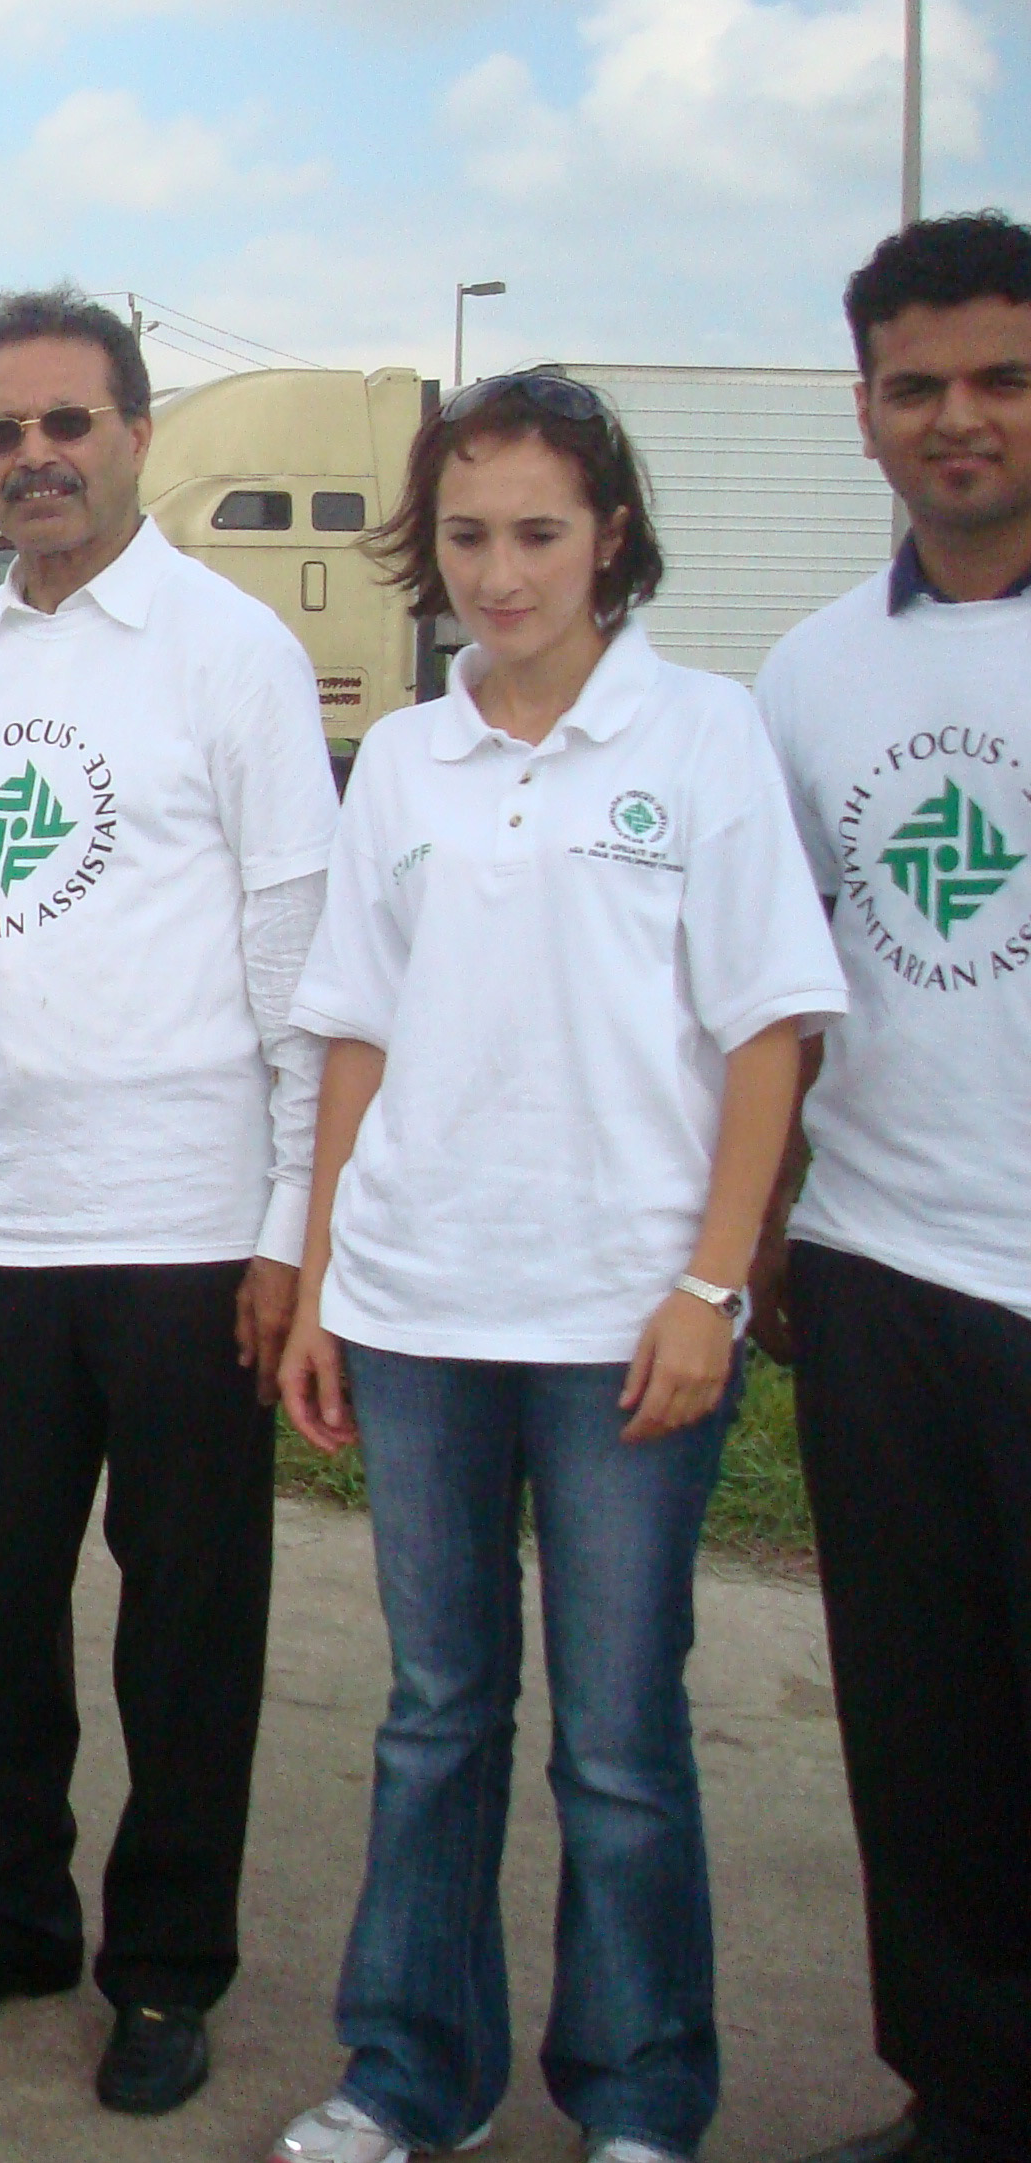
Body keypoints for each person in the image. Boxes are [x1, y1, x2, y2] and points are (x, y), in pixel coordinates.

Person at [267, 370, 843, 2163]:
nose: (501, 573)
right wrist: (320, 1277)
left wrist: (712, 1288)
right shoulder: (411, 764)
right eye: (465, 536)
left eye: (537, 532)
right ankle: (405, 2077)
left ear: (610, 539)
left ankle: (642, 2101)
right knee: (437, 1716)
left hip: (625, 1322)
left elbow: (770, 1035)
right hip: (423, 1306)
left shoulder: (702, 741)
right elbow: (352, 1031)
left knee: (617, 1736)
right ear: (425, 553)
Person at [0, 286, 336, 2115]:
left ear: (137, 431)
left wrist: (294, 1231)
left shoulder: (228, 654)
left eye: (68, 422)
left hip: (190, 1228)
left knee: (188, 1614)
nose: (35, 456)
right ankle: (11, 1915)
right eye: (0, 432)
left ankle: (168, 1963)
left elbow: (299, 962)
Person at [749, 211, 1031, 2163]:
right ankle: (962, 2088)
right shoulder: (810, 671)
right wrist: (758, 1234)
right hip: (878, 1271)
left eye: (999, 378)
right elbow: (785, 993)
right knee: (922, 1737)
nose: (958, 418)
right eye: (915, 385)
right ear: (859, 413)